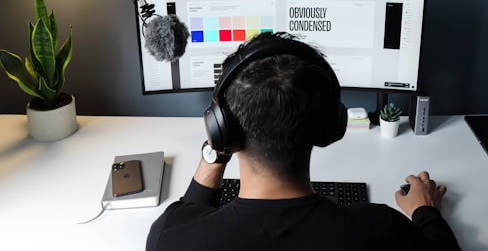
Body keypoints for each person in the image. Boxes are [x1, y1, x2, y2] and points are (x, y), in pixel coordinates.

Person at [147, 32, 461, 250]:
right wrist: (426, 212)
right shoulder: (380, 230)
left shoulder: (172, 236)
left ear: (222, 129)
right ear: (330, 127)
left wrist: (216, 148)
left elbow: (189, 211)